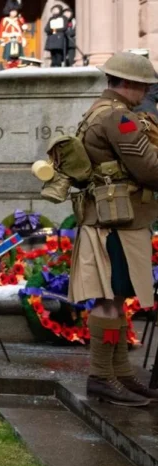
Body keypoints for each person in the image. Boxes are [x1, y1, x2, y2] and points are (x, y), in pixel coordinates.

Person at [69, 52, 158, 406]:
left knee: (117, 299)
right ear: (131, 85)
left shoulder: (99, 112)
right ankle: (102, 377)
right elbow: (149, 169)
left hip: (114, 220)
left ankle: (119, 374)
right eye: (145, 86)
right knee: (109, 300)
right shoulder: (119, 118)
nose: (147, 92)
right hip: (116, 224)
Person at [0, 4, 26, 69]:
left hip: (18, 40)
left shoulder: (19, 19)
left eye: (15, 11)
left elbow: (22, 29)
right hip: (8, 40)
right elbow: (1, 30)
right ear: (9, 12)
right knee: (8, 56)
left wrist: (23, 25)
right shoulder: (4, 20)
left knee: (18, 56)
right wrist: (2, 39)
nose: (14, 13)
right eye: (12, 11)